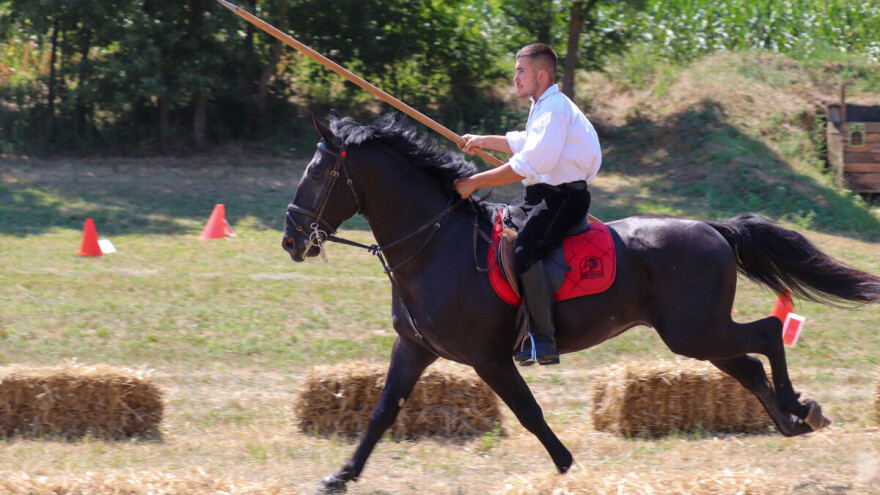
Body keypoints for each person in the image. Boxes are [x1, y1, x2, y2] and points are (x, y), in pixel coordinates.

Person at [453, 43, 601, 366]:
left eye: (521, 71)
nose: (515, 78)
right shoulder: (543, 105)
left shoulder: (554, 108)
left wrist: (475, 182)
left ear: (541, 75)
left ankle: (543, 340)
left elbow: (528, 164)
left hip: (563, 198)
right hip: (541, 195)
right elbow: (523, 142)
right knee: (499, 231)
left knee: (525, 250)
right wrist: (482, 140)